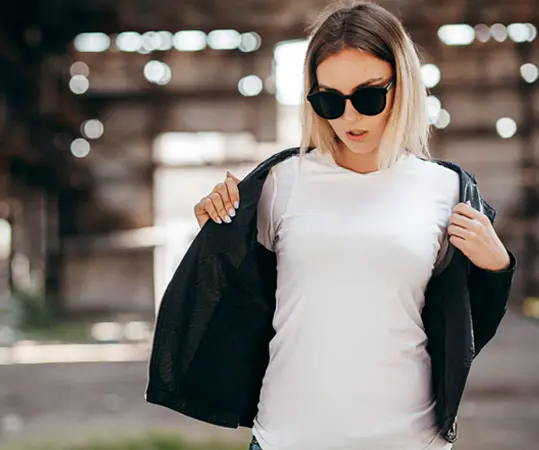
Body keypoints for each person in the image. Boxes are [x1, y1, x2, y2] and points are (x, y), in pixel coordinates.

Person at [146, 2, 516, 450]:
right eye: (328, 100)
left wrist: (497, 268)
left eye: (368, 96)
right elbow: (231, 298)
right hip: (286, 439)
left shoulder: (445, 188)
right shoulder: (280, 183)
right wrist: (218, 225)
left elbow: (464, 326)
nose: (348, 118)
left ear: (405, 86)